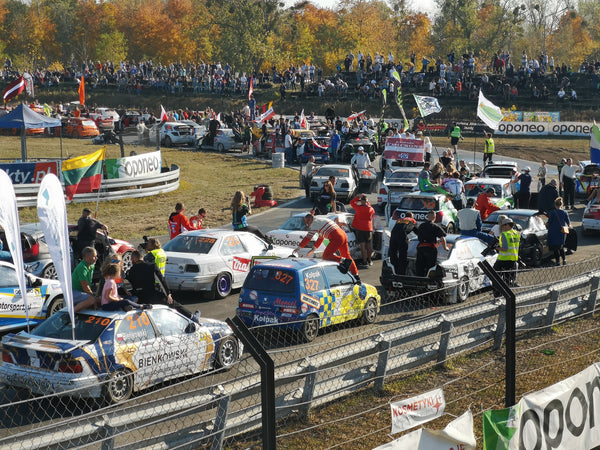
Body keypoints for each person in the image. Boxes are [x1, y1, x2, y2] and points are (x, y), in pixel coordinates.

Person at [126, 250, 195, 319]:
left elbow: (131, 284)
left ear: (135, 258)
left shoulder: (131, 270)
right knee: (173, 303)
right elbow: (161, 280)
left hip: (140, 298)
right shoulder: (151, 266)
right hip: (152, 296)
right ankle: (191, 316)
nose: (131, 260)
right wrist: (168, 294)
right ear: (142, 257)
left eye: (131, 258)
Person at [296, 213, 359, 278]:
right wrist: (313, 249)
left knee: (326, 256)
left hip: (336, 237)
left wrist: (298, 248)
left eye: (307, 222)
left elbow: (308, 238)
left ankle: (344, 261)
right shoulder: (321, 220)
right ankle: (356, 275)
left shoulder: (314, 224)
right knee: (347, 255)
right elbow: (321, 238)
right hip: (343, 234)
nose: (307, 225)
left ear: (310, 219)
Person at [415, 210, 449, 277]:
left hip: (420, 249)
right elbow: (442, 238)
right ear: (434, 218)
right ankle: (429, 281)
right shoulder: (435, 226)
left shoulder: (421, 226)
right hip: (430, 249)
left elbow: (418, 235)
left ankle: (419, 281)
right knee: (430, 267)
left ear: (427, 217)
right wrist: (445, 248)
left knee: (420, 267)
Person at [494, 217, 520, 287]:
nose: (502, 227)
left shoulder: (505, 234)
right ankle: (507, 295)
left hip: (503, 260)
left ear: (507, 225)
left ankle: (497, 293)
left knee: (495, 277)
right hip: (513, 259)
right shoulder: (516, 233)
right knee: (507, 280)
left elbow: (505, 249)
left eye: (503, 225)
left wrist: (496, 247)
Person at [73, 246, 101, 313]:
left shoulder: (91, 265)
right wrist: (93, 297)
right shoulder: (82, 267)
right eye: (94, 256)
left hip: (81, 292)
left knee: (100, 300)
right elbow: (85, 287)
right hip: (73, 292)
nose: (96, 258)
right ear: (86, 257)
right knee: (92, 300)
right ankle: (72, 312)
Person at [350, 194, 375, 267]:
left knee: (362, 246)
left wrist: (358, 197)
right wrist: (367, 202)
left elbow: (352, 202)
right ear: (367, 201)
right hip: (368, 228)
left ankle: (364, 261)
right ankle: (370, 260)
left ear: (361, 201)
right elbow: (371, 209)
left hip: (360, 228)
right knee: (368, 246)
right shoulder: (370, 209)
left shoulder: (358, 208)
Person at [547, 197, 570, 266]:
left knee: (555, 248)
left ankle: (557, 261)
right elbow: (568, 222)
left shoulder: (552, 213)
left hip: (553, 232)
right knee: (561, 246)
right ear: (561, 205)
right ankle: (564, 260)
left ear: (555, 205)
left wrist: (545, 224)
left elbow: (549, 222)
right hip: (562, 231)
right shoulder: (564, 212)